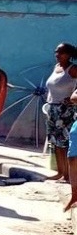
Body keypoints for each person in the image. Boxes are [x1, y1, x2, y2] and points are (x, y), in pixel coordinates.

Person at [45, 43, 77, 183]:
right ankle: (60, 172)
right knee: (55, 142)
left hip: (65, 111)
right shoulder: (56, 68)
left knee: (65, 142)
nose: (57, 55)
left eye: (61, 52)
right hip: (52, 110)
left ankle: (69, 175)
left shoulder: (73, 69)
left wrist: (73, 97)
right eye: (56, 52)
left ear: (69, 54)